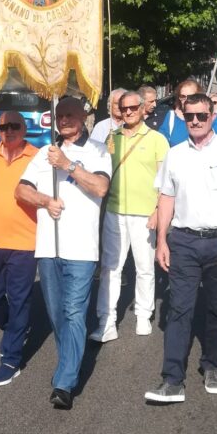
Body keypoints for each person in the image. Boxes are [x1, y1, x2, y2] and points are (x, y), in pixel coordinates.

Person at [144, 93, 217, 404]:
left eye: (202, 116)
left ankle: (212, 365)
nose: (195, 121)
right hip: (183, 240)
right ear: (183, 115)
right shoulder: (175, 155)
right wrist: (162, 240)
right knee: (178, 310)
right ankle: (172, 380)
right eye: (190, 115)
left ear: (212, 116)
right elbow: (166, 198)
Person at [16, 96, 111, 410]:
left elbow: (100, 188)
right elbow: (21, 189)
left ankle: (65, 382)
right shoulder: (45, 152)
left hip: (81, 248)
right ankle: (70, 361)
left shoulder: (97, 150)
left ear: (84, 116)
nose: (65, 120)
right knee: (58, 314)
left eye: (71, 114)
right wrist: (45, 200)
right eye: (60, 115)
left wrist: (69, 166)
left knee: (73, 312)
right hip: (48, 248)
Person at [90, 90, 170, 342]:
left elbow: (165, 181)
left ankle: (144, 313)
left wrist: (158, 210)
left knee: (145, 267)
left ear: (143, 108)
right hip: (114, 211)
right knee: (110, 269)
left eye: (132, 108)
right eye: (123, 109)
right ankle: (106, 320)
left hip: (145, 212)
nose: (127, 113)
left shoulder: (157, 139)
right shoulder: (111, 138)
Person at [0, 112, 39, 386]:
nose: (8, 131)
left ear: (25, 129)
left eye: (14, 126)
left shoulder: (38, 157)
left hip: (25, 242)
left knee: (20, 298)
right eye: (3, 127)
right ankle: (14, 328)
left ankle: (11, 359)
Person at [158, 78, 217, 146]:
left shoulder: (210, 116)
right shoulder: (171, 117)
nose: (186, 100)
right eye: (183, 96)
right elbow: (160, 144)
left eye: (191, 96)